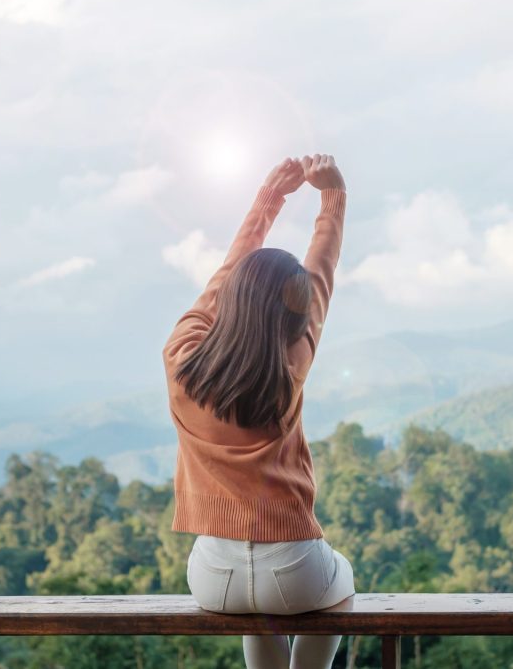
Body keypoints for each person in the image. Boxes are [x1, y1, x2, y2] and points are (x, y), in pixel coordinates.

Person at [162, 154, 355, 669]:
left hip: (214, 575)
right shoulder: (290, 365)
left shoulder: (180, 360)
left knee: (258, 613)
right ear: (293, 316)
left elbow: (225, 277)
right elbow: (320, 276)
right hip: (294, 567)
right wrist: (332, 199)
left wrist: (269, 199)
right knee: (343, 584)